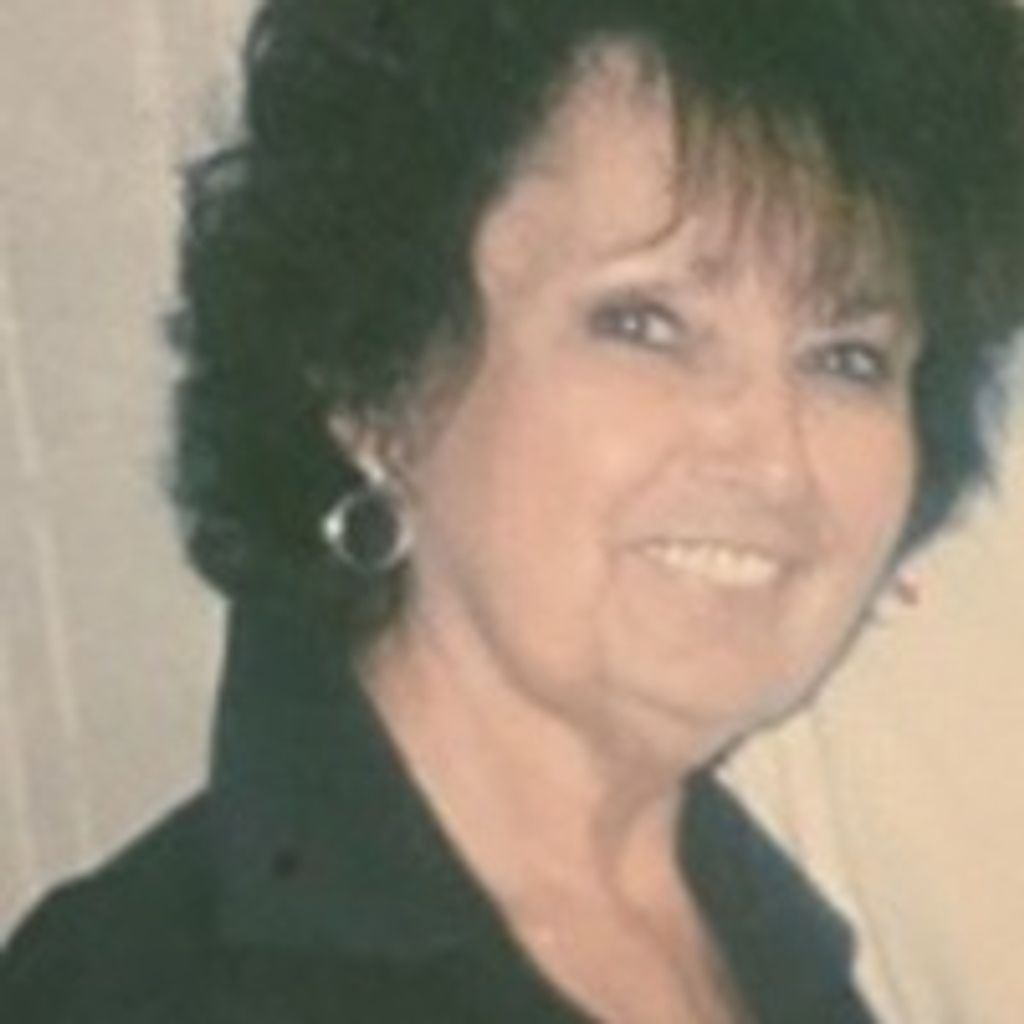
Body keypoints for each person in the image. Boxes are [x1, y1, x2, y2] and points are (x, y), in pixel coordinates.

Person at [2, 0, 1021, 1021]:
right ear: (379, 383)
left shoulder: (781, 940)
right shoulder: (134, 991)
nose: (774, 458)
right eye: (645, 323)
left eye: (847, 358)